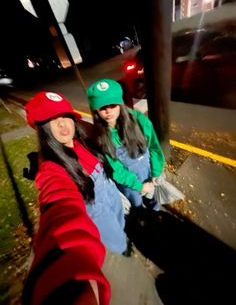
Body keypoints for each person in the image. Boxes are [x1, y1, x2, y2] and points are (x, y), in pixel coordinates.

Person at [22, 90, 128, 304]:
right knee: (117, 242)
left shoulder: (81, 140)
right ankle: (124, 250)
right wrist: (65, 270)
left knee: (122, 225)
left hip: (113, 201)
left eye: (65, 117)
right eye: (53, 121)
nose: (63, 125)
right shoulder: (52, 167)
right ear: (43, 130)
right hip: (98, 216)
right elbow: (59, 204)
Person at [86, 78, 165, 211]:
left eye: (113, 105)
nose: (108, 111)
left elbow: (154, 147)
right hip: (129, 184)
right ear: (95, 110)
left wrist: (156, 172)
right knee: (138, 207)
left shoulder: (140, 121)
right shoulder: (101, 137)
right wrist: (139, 186)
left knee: (154, 202)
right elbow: (116, 169)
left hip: (149, 174)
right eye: (102, 107)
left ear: (120, 103)